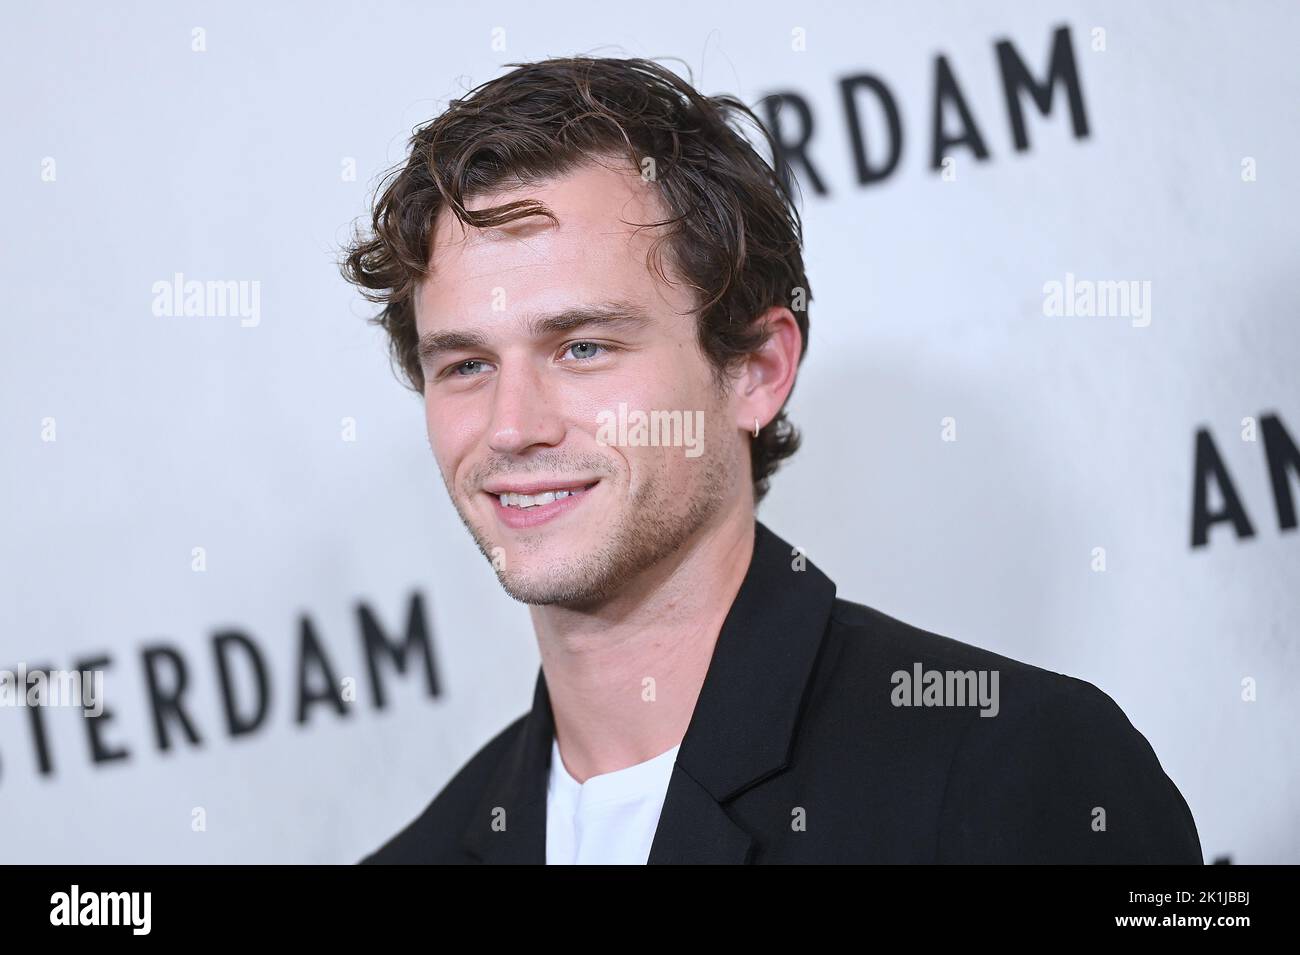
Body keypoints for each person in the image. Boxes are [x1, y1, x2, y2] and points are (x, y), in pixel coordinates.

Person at [341, 56, 1201, 864]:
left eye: (583, 348)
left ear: (755, 372)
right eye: (465, 365)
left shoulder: (1016, 772)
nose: (511, 426)